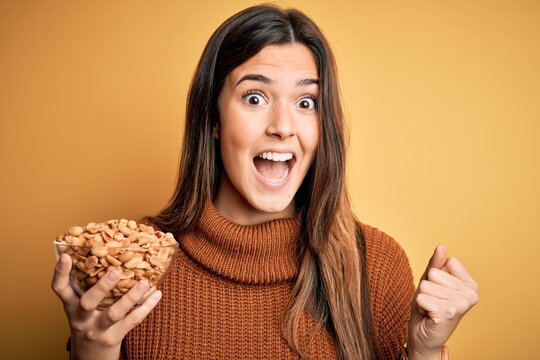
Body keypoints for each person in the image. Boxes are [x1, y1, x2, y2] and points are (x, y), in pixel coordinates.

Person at [52, 4, 478, 360]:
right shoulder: (133, 265)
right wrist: (91, 352)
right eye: (254, 98)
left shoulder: (377, 267)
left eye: (306, 101)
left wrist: (425, 353)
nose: (283, 126)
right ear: (214, 118)